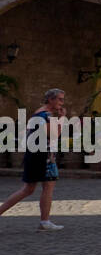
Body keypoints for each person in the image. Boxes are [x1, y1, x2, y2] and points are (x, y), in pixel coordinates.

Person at [0, 89, 67, 231]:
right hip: (42, 157)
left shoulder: (40, 113)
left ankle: (45, 221)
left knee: (38, 188)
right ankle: (45, 222)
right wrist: (61, 119)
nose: (62, 102)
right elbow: (53, 134)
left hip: (39, 155)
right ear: (51, 100)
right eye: (60, 99)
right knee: (31, 189)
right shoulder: (45, 115)